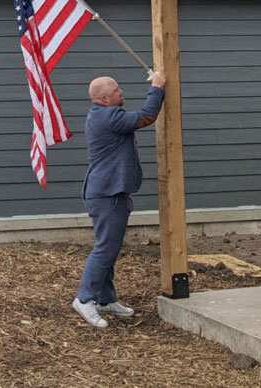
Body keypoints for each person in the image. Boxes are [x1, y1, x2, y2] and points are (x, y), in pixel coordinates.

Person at [72, 72, 166, 329]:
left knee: (109, 249)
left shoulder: (102, 115)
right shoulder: (109, 117)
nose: (121, 91)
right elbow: (147, 116)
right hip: (106, 194)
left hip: (108, 193)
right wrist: (157, 87)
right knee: (104, 249)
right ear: (103, 98)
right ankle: (85, 299)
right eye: (116, 89)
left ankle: (105, 299)